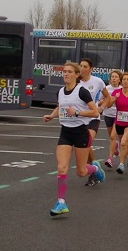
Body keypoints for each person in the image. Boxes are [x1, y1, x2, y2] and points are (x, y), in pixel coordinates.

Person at [43, 62, 105, 216]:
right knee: (62, 168)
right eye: (64, 71)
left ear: (77, 75)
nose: (66, 74)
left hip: (80, 132)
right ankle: (61, 203)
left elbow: (94, 112)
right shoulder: (60, 91)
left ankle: (96, 169)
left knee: (81, 171)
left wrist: (77, 113)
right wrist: (51, 115)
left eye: (70, 71)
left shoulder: (82, 91)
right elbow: (61, 107)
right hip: (65, 132)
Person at [79, 58, 111, 186]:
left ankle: (93, 171)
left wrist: (101, 108)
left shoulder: (97, 82)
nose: (82, 68)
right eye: (80, 66)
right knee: (83, 145)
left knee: (86, 141)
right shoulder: (75, 82)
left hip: (93, 118)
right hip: (79, 118)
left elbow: (108, 97)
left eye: (85, 66)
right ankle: (95, 168)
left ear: (91, 69)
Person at [103, 72, 128, 174]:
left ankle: (121, 164)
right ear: (121, 81)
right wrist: (114, 99)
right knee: (123, 142)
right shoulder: (116, 92)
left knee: (124, 142)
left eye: (127, 80)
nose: (125, 81)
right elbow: (108, 105)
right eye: (124, 79)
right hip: (119, 121)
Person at [101, 70, 122, 168]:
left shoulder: (122, 89)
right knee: (112, 137)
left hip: (118, 115)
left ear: (119, 79)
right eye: (112, 77)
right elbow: (99, 100)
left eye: (116, 77)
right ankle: (116, 146)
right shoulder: (106, 89)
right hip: (108, 114)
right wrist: (103, 102)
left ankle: (110, 158)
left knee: (113, 136)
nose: (114, 78)